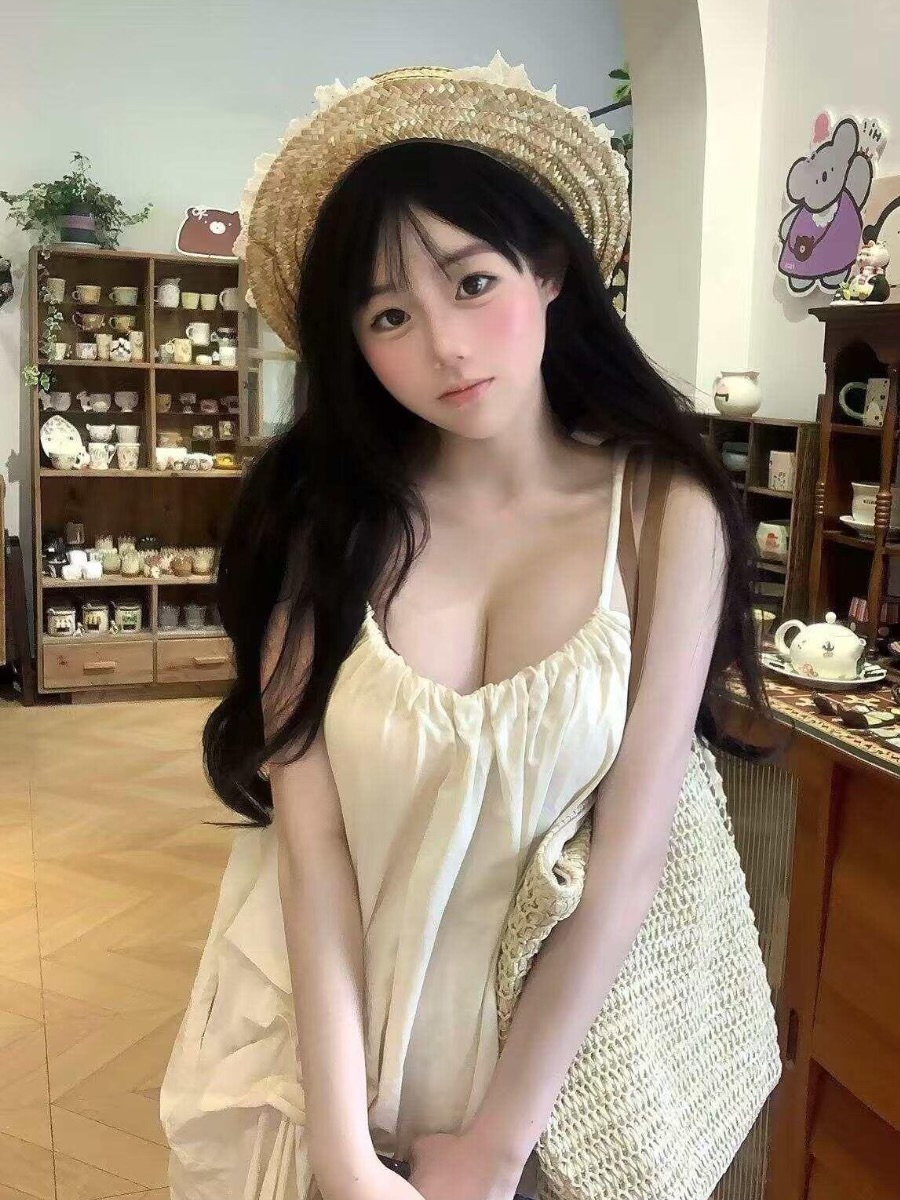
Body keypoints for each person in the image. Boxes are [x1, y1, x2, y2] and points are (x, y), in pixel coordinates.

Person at [160, 54, 774, 1200]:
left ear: (548, 268)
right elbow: (313, 852)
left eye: (472, 282)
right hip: (328, 1061)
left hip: (559, 1093)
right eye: (390, 314)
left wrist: (494, 1149)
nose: (444, 345)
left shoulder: (663, 514)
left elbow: (630, 858)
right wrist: (344, 1148)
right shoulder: (322, 527)